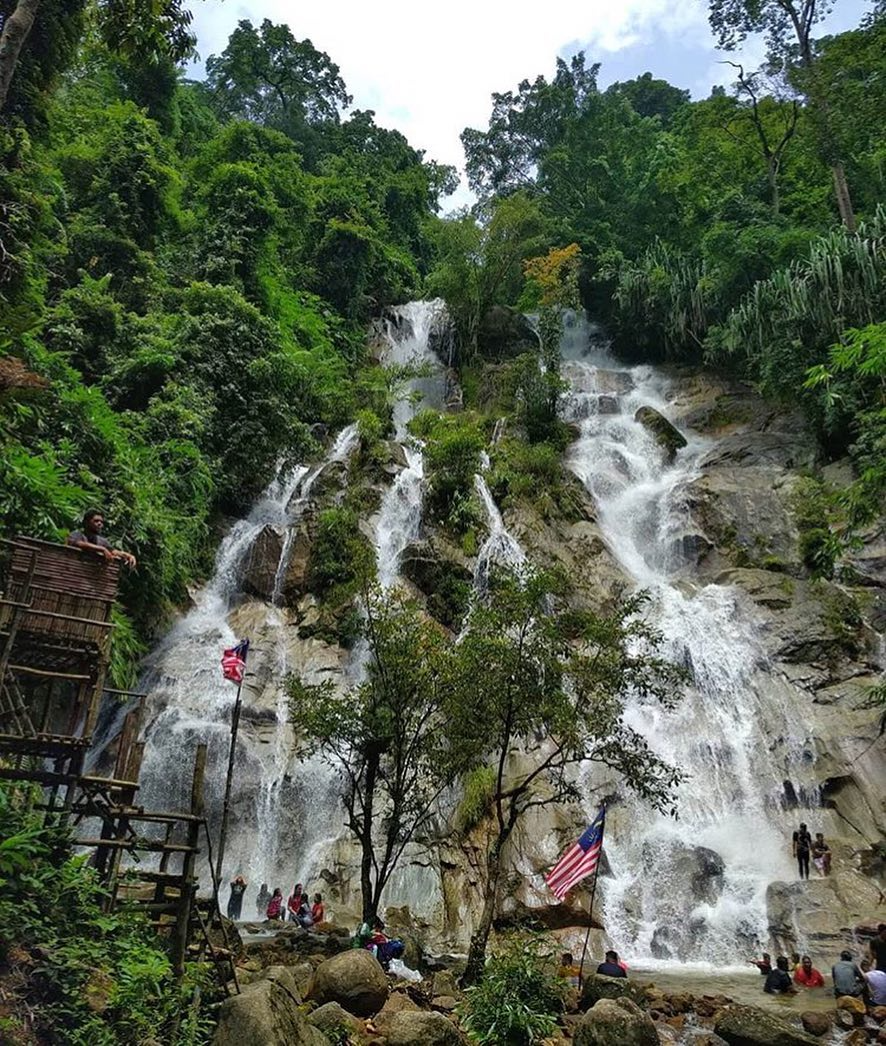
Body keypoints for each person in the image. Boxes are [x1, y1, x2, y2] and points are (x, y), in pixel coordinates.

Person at [67, 509, 136, 568]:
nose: (100, 523)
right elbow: (78, 543)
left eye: (101, 522)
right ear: (86, 522)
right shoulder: (77, 534)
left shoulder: (101, 541)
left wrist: (128, 556)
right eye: (96, 521)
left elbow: (113, 551)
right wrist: (102, 549)